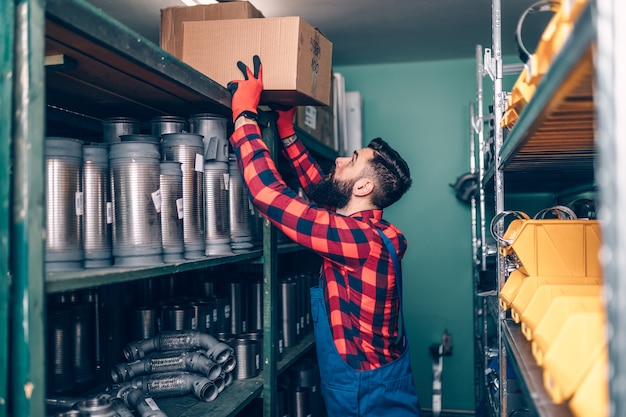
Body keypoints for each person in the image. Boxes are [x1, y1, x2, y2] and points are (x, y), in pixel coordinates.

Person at [227, 55, 421, 417]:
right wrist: (287, 134)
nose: (339, 161)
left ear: (364, 185)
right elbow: (323, 192)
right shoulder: (380, 233)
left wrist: (244, 118)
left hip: (366, 394)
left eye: (351, 159)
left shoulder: (359, 241)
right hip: (380, 379)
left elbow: (269, 196)